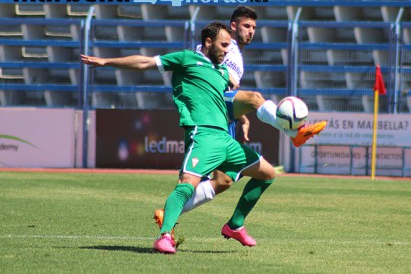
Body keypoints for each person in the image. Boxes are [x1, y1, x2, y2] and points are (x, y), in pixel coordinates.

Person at [81, 22, 276, 254]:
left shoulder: (222, 72)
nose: (227, 50)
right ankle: (164, 237)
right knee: (186, 186)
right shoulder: (186, 59)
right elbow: (145, 62)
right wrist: (106, 62)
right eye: (223, 45)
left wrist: (243, 117)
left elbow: (227, 100)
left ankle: (235, 224)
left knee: (267, 174)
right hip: (202, 134)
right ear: (208, 42)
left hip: (225, 138)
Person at [154, 6, 327, 239]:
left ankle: (184, 217)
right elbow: (205, 70)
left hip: (223, 111)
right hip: (208, 112)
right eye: (247, 26)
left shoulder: (236, 54)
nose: (251, 31)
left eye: (254, 27)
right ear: (233, 26)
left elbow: (225, 89)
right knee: (255, 97)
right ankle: (293, 132)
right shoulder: (221, 46)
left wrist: (241, 115)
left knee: (223, 181)